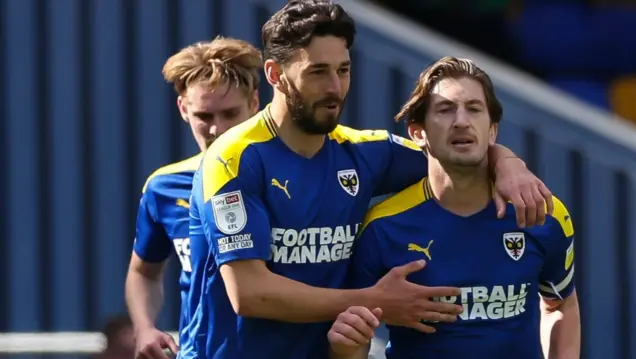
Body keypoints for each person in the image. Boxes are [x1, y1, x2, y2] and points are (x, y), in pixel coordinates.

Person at [188, 1, 553, 358]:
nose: (334, 87)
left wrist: (507, 161)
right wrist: (374, 301)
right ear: (274, 74)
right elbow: (250, 293)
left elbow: (455, 153)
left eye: (343, 70)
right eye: (317, 72)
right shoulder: (233, 159)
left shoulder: (366, 152)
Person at [328, 57, 580, 359]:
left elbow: (561, 304)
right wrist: (343, 350)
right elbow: (355, 339)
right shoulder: (382, 228)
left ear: (492, 132)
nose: (462, 121)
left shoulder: (541, 214)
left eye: (474, 109)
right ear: (418, 132)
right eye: (446, 110)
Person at [124, 36, 262, 359]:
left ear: (254, 104)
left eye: (230, 114)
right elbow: (143, 271)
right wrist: (144, 327)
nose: (217, 129)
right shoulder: (163, 187)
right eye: (205, 116)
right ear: (183, 109)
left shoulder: (284, 181)